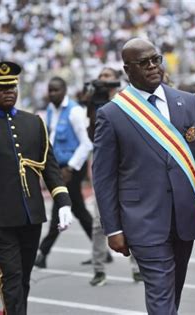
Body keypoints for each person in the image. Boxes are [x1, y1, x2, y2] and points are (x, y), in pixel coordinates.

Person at [92, 38, 195, 314]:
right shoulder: (112, 114)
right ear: (127, 70)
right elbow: (103, 177)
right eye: (144, 63)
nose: (153, 66)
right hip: (142, 220)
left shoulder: (188, 102)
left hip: (186, 217)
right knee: (160, 291)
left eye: (156, 59)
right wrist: (113, 228)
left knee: (172, 292)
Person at [0, 61, 73, 315]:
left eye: (12, 86)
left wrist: (64, 202)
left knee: (23, 276)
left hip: (31, 214)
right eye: (1, 88)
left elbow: (50, 168)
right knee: (11, 276)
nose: (9, 91)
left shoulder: (34, 123)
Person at [83, 67, 142, 286]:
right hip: (103, 168)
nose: (103, 80)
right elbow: (91, 134)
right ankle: (98, 269)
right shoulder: (93, 101)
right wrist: (91, 101)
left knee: (131, 217)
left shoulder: (127, 99)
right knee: (100, 222)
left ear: (117, 80)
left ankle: (137, 268)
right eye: (101, 76)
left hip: (126, 166)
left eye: (108, 76)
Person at [34, 77, 93, 268]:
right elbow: (51, 138)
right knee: (78, 209)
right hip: (59, 168)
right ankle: (101, 248)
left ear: (65, 90)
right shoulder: (51, 110)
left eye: (56, 90)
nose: (52, 94)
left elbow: (86, 144)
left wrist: (70, 168)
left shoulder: (75, 111)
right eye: (50, 90)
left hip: (73, 168)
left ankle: (43, 252)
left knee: (60, 206)